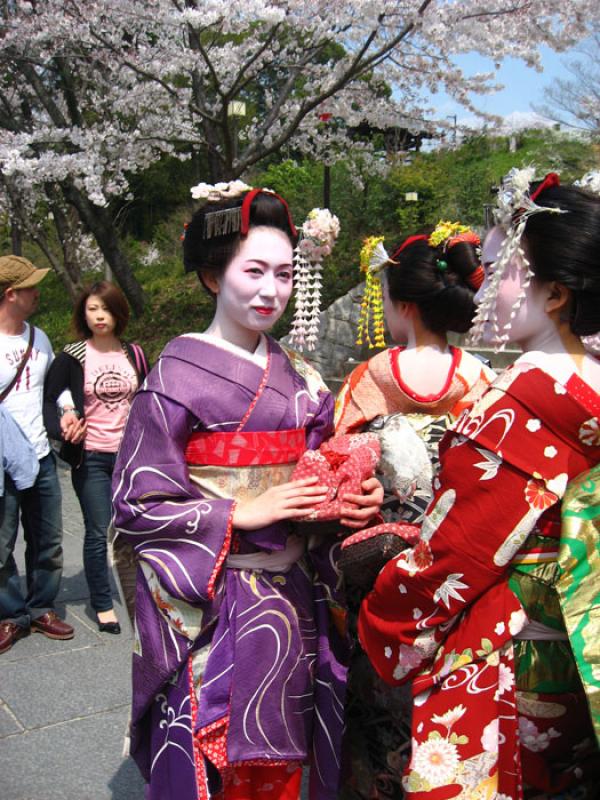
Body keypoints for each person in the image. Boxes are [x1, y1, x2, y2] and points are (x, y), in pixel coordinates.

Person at [111, 183, 383, 800]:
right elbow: (136, 504)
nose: (272, 290)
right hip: (214, 602)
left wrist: (350, 504)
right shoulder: (175, 375)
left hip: (292, 599)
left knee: (285, 763)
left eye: (285, 274)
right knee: (213, 760)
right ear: (212, 275)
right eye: (253, 271)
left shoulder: (303, 381)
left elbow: (323, 469)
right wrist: (239, 512)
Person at [358, 170, 600, 798]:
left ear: (553, 294)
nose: (482, 287)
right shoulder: (588, 382)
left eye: (501, 271)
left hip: (513, 660)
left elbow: (451, 558)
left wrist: (381, 614)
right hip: (581, 659)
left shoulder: (522, 404)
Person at [334, 225, 496, 799]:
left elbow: (340, 468)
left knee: (376, 695)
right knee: (446, 696)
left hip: (383, 565)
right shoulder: (482, 379)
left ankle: (371, 784)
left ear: (401, 304)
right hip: (458, 560)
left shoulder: (371, 376)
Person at [44, 281, 149, 634]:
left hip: (131, 457)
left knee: (136, 527)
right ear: (83, 314)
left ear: (118, 312)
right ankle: (103, 602)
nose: (99, 316)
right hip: (91, 457)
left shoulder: (134, 354)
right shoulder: (73, 355)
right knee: (97, 530)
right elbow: (48, 401)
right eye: (92, 309)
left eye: (105, 309)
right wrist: (62, 427)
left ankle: (143, 594)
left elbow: (148, 401)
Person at [0, 255, 75, 655]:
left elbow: (52, 388)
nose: (36, 292)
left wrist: (67, 409)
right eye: (29, 287)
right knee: (2, 542)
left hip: (42, 457)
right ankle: (12, 614)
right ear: (10, 294)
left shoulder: (39, 337)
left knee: (48, 539)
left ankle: (42, 606)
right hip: (2, 463)